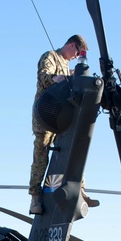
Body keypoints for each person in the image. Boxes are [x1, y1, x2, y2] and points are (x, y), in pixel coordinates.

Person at [29, 34, 99, 214]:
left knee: (71, 150)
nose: (76, 56)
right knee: (41, 152)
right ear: (71, 45)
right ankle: (35, 197)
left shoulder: (65, 64)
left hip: (62, 117)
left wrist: (71, 75)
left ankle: (80, 190)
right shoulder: (50, 56)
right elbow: (44, 76)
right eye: (77, 52)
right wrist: (57, 78)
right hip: (46, 115)